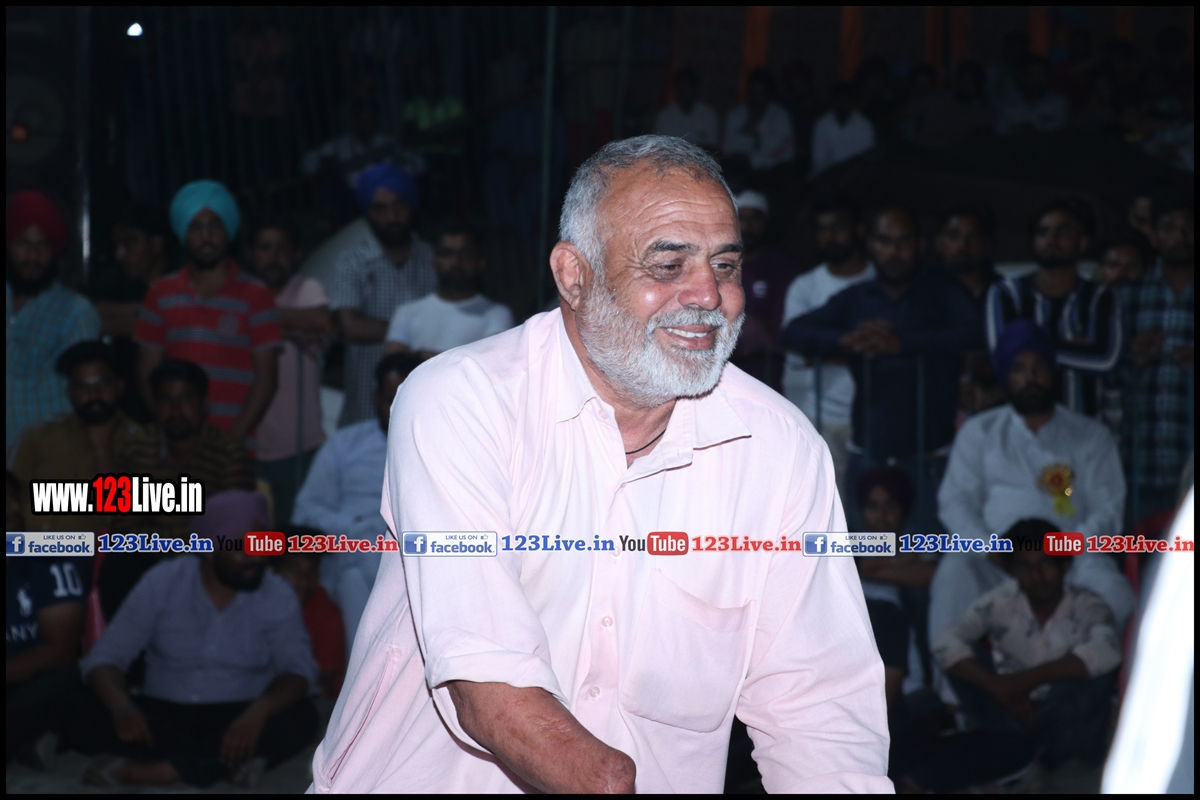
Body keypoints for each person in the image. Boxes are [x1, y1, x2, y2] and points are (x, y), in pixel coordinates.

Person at [309, 136, 891, 793]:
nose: (709, 295)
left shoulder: (781, 450)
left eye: (725, 265)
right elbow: (488, 680)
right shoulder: (463, 400)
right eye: (668, 265)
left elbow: (817, 706)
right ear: (574, 275)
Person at [74, 490, 319, 788]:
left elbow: (298, 669)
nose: (257, 557)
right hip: (162, 714)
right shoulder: (164, 580)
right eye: (243, 549)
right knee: (74, 696)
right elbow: (106, 657)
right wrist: (122, 707)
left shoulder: (277, 593)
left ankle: (157, 770)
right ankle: (220, 765)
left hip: (239, 716)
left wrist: (259, 712)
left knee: (302, 717)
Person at [933, 321, 1134, 658]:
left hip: (1071, 559)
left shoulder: (1090, 435)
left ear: (1053, 373)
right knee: (955, 573)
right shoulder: (981, 432)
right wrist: (992, 549)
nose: (1031, 377)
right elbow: (955, 502)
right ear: (1005, 378)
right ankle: (955, 684)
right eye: (1019, 369)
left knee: (1117, 594)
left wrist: (1066, 550)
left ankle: (1101, 684)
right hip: (998, 560)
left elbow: (1109, 509)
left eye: (1039, 367)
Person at [783, 208, 982, 535]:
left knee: (923, 553)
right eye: (885, 242)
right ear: (871, 245)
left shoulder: (942, 291)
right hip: (870, 450)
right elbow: (793, 331)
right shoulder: (858, 299)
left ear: (920, 245)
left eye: (903, 242)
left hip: (930, 454)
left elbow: (976, 332)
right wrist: (846, 340)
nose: (894, 251)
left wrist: (904, 343)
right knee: (865, 554)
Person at [933, 519, 1121, 770]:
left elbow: (1109, 650)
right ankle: (1011, 755)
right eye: (1024, 567)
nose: (1036, 576)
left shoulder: (1087, 603)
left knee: (1094, 671)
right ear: (1012, 570)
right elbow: (944, 641)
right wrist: (995, 685)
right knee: (961, 657)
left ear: (1064, 565)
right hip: (1011, 709)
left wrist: (1024, 681)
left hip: (1065, 716)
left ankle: (1051, 759)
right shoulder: (999, 601)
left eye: (1046, 564)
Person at [135, 180, 282, 443]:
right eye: (195, 228)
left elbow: (266, 380)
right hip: (177, 448)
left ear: (228, 231)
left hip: (235, 449)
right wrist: (172, 430)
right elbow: (147, 374)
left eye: (215, 226)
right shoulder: (160, 293)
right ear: (183, 234)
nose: (206, 237)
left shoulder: (256, 294)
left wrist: (229, 446)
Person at [107, 359, 255, 619]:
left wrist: (170, 543)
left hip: (204, 560)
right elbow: (124, 524)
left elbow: (228, 531)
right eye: (165, 401)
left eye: (185, 399)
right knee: (118, 562)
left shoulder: (229, 453)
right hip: (147, 557)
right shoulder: (137, 446)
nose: (175, 410)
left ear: (205, 404)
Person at [292, 352, 421, 652]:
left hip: (413, 553)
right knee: (355, 571)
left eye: (405, 399)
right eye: (389, 399)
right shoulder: (346, 444)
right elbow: (306, 510)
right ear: (375, 397)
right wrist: (355, 526)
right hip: (351, 548)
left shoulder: (440, 444)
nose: (397, 409)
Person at [986, 199, 1121, 416]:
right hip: (1021, 426)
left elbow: (1106, 360)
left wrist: (1030, 343)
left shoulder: (1100, 296)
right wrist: (1075, 347)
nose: (1051, 239)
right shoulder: (1006, 293)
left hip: (1083, 423)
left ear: (1083, 242)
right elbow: (1003, 356)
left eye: (1063, 231)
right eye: (1043, 232)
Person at [329, 164, 434, 427]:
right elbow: (350, 326)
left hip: (425, 409)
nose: (392, 216)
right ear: (368, 213)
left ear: (411, 206)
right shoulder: (353, 261)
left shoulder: (434, 260)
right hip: (364, 411)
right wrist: (410, 334)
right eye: (380, 209)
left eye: (399, 205)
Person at [780, 195, 874, 489]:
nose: (831, 236)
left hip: (876, 419)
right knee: (826, 507)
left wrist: (823, 349)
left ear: (859, 229)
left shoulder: (879, 281)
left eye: (839, 227)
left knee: (874, 510)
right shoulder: (805, 286)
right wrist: (856, 349)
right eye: (823, 229)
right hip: (821, 417)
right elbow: (795, 354)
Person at [246, 218, 331, 526]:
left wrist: (253, 319)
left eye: (282, 249)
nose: (274, 257)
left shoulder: (306, 289)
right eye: (265, 248)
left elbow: (321, 321)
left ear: (296, 254)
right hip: (245, 444)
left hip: (301, 446)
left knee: (296, 540)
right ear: (252, 254)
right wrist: (287, 328)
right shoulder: (241, 293)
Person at [10, 341, 142, 535]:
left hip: (109, 550)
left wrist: (103, 449)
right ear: (69, 392)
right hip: (39, 548)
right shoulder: (40, 437)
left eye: (102, 384)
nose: (94, 394)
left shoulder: (142, 440)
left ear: (119, 386)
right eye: (83, 387)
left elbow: (123, 514)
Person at [6, 190, 101, 453]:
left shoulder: (76, 313)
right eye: (23, 244)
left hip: (47, 460)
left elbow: (87, 396)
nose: (32, 256)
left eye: (43, 245)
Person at [6, 471, 90, 766]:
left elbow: (60, 651)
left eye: (14, 498)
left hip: (28, 683)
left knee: (65, 679)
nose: (14, 508)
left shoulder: (49, 560)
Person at [1122, 196, 1194, 519]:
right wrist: (1132, 359)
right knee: (1143, 548)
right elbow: (1108, 377)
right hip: (1141, 461)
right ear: (1153, 235)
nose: (1180, 236)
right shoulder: (1128, 296)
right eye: (1169, 228)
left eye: (1189, 227)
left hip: (1190, 457)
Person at [88, 204, 172, 422]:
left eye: (130, 243)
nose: (120, 254)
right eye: (117, 245)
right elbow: (88, 314)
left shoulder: (182, 282)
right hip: (125, 414)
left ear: (156, 244)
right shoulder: (115, 280)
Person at [382, 222, 513, 359]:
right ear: (434, 261)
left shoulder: (497, 314)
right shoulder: (407, 312)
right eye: (446, 254)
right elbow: (393, 364)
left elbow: (494, 363)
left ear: (480, 261)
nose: (456, 262)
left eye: (465, 253)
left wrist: (420, 357)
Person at [934, 206, 1004, 418]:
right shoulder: (920, 294)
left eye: (973, 237)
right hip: (934, 411)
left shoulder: (1006, 295)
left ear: (987, 244)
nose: (963, 245)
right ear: (939, 243)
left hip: (996, 411)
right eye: (954, 236)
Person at [728, 191, 799, 390]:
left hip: (766, 379)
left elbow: (783, 328)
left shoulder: (781, 269)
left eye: (755, 219)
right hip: (723, 379)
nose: (747, 226)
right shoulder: (718, 265)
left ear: (765, 222)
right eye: (741, 218)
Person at [270, 543, 346, 700]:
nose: (303, 580)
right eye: (293, 570)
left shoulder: (326, 614)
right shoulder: (252, 604)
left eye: (311, 572)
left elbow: (324, 686)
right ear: (272, 571)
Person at [903, 61, 996, 148]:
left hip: (952, 156)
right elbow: (904, 115)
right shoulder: (935, 101)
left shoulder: (983, 114)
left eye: (969, 82)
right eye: (962, 80)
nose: (964, 85)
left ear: (979, 85)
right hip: (920, 151)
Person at [721, 69, 796, 174]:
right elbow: (727, 150)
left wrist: (754, 161)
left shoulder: (780, 116)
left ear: (769, 93)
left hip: (772, 171)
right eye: (753, 92)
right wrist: (748, 125)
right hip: (740, 170)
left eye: (761, 92)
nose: (757, 98)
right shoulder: (735, 115)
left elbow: (787, 153)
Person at [811, 82, 876, 176]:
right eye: (838, 101)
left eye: (845, 101)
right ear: (832, 102)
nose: (841, 105)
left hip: (856, 178)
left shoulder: (864, 126)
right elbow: (819, 161)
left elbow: (865, 162)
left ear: (851, 102)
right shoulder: (822, 124)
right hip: (828, 177)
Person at [996, 56, 1069, 134]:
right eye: (1031, 75)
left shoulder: (1059, 103)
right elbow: (1000, 133)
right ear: (1022, 78)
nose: (1036, 80)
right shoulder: (1008, 105)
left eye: (1040, 75)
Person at [653, 68, 720, 150]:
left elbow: (712, 147)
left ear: (695, 89)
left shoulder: (708, 114)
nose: (684, 91)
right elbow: (662, 147)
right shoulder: (665, 116)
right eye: (681, 87)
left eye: (688, 87)